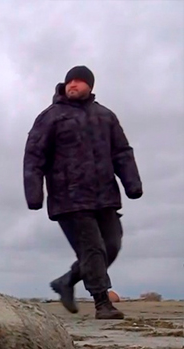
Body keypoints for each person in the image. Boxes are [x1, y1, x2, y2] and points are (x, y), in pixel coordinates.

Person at [24, 65, 142, 320]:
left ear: (90, 86)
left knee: (111, 245)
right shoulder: (51, 117)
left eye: (79, 81)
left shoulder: (106, 116)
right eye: (70, 81)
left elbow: (121, 152)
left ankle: (67, 281)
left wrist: (132, 183)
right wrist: (34, 193)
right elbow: (34, 156)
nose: (73, 85)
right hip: (69, 198)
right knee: (93, 249)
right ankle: (102, 302)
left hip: (105, 196)